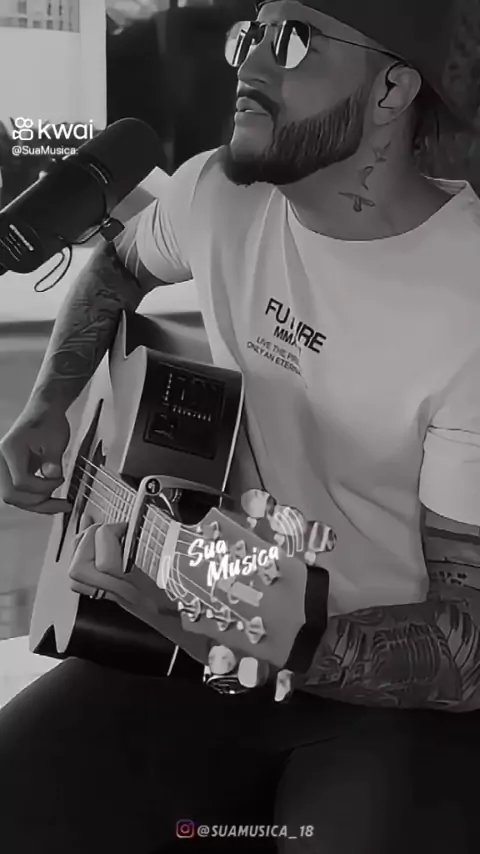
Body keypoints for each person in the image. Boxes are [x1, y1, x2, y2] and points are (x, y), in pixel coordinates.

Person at [1, 0, 480, 851]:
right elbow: (115, 268)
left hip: (393, 705)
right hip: (201, 648)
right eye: (249, 36)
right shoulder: (216, 194)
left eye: (292, 40)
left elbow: (465, 649)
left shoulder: (466, 302)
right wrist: (47, 405)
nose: (250, 63)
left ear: (392, 90)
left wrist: (252, 627)